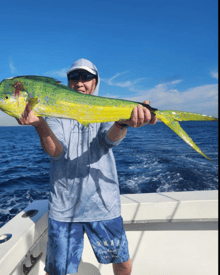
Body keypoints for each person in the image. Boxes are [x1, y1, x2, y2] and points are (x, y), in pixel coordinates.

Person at [17, 58, 157, 275]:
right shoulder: (53, 110)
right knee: (58, 272)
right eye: (74, 77)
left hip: (103, 204)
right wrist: (39, 123)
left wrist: (122, 123)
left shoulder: (103, 108)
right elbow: (57, 152)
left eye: (86, 77)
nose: (80, 82)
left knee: (123, 265)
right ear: (68, 81)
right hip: (64, 209)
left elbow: (108, 140)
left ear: (95, 81)